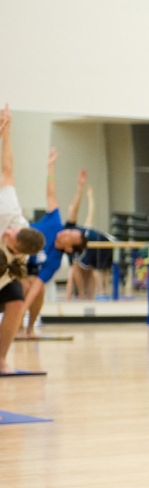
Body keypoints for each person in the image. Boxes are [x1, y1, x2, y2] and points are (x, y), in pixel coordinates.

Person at [0, 105, 47, 371]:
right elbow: (8, 169)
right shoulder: (9, 211)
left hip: (3, 270)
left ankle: (1, 358)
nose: (7, 233)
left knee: (16, 303)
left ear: (18, 251)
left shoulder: (19, 256)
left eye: (10, 239)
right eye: (11, 232)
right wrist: (7, 132)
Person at [22, 148, 88, 337]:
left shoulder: (55, 261)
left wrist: (22, 310)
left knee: (35, 289)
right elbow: (51, 195)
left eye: (70, 235)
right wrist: (50, 167)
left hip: (22, 270)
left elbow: (36, 287)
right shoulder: (54, 222)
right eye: (69, 230)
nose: (65, 232)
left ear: (68, 247)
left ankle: (28, 328)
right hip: (10, 252)